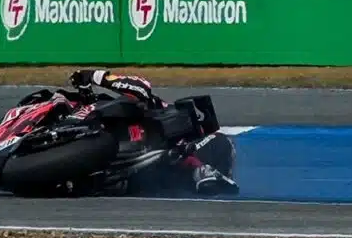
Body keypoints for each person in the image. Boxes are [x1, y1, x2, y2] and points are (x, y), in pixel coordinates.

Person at [68, 69, 240, 196]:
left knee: (218, 140)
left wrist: (96, 76)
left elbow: (142, 88)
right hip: (87, 138)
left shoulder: (152, 106)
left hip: (145, 156)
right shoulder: (74, 104)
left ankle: (203, 171)